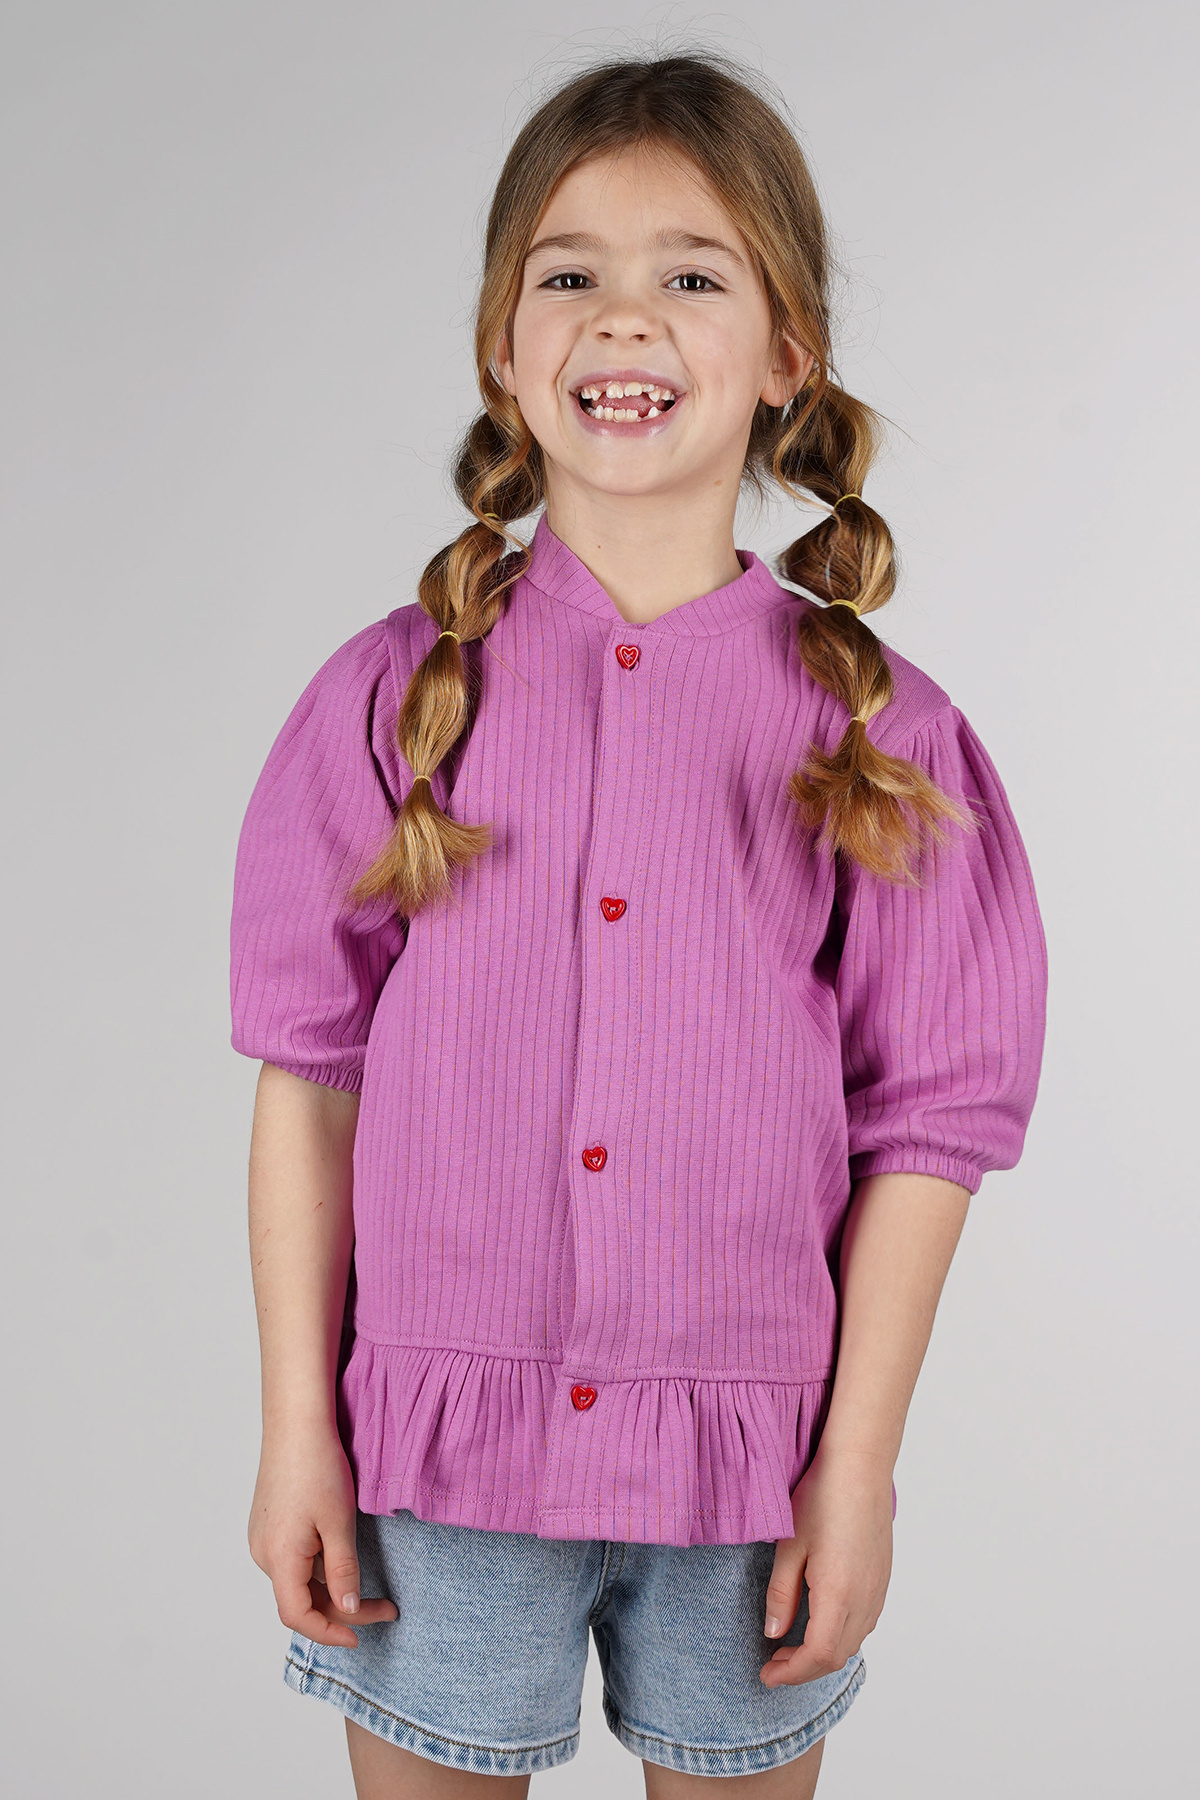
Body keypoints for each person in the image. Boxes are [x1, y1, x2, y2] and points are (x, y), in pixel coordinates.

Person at [229, 48, 1048, 1800]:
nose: (624, 319)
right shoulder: (388, 698)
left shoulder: (884, 734)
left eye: (691, 277)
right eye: (569, 276)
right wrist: (300, 1425)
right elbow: (308, 1082)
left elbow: (928, 1131)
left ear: (787, 352)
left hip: (749, 1465)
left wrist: (858, 1466)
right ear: (500, 344)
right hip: (436, 1460)